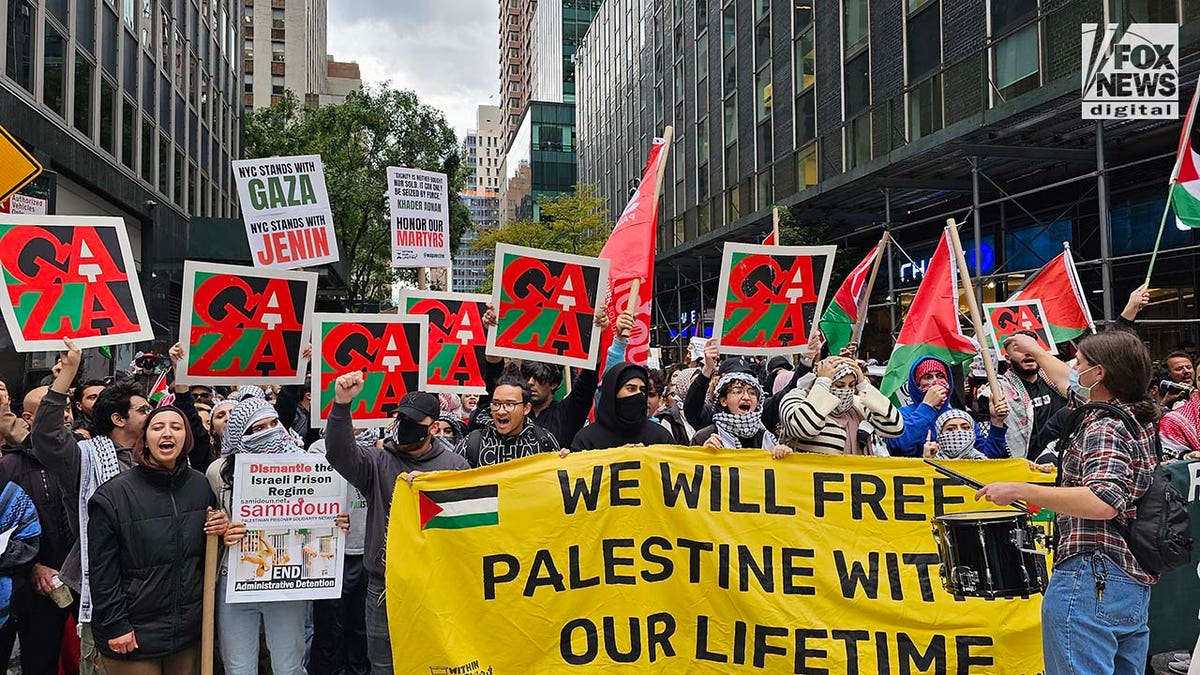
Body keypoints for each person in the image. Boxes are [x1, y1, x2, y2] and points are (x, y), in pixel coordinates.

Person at [977, 331, 1159, 675]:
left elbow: (1103, 499)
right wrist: (1034, 350)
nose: (1072, 368)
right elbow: (1069, 384)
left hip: (1090, 576)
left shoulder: (1103, 426)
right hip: (1129, 578)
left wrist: (1021, 489)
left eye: (1080, 363)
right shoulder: (1135, 414)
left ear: (1100, 373)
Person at [324, 371, 469, 674]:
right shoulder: (378, 462)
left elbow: (466, 528)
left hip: (435, 586)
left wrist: (434, 489)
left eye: (414, 422)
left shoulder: (454, 467)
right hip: (383, 586)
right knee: (383, 664)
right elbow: (339, 453)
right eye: (401, 419)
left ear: (434, 427)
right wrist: (341, 404)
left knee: (435, 662)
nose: (405, 428)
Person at [31, 338, 152, 674]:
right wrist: (66, 377)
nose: (152, 414)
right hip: (103, 590)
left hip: (152, 592)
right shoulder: (85, 460)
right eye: (143, 409)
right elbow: (46, 438)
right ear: (118, 418)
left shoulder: (159, 460)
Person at [87, 405, 227, 675]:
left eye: (176, 427)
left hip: (186, 632)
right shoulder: (114, 495)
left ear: (186, 437)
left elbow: (204, 554)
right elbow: (102, 571)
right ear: (145, 439)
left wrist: (220, 530)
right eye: (158, 427)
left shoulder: (200, 487)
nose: (167, 433)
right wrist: (117, 625)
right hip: (132, 635)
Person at [206, 397, 308, 675]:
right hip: (236, 578)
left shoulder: (307, 466)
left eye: (273, 423)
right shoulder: (218, 472)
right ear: (240, 434)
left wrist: (335, 522)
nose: (270, 432)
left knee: (289, 666)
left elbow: (320, 515)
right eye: (257, 428)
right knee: (238, 667)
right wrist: (223, 528)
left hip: (287, 579)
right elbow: (208, 522)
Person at [0, 386, 73, 675]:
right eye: (53, 409)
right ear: (29, 418)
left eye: (66, 409)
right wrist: (33, 566)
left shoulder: (77, 458)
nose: (64, 416)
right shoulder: (9, 466)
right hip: (20, 590)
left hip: (62, 588)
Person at [306, 428, 372, 675]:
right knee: (329, 631)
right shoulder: (320, 449)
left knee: (361, 630)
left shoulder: (382, 449)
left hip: (368, 552)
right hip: (331, 555)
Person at [885, 356, 1009, 457]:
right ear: (916, 384)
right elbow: (900, 447)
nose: (935, 381)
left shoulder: (959, 417)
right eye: (927, 377)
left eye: (940, 376)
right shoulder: (903, 414)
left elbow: (988, 457)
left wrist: (996, 423)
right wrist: (927, 407)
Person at [777, 357, 903, 455]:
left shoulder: (857, 405)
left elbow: (895, 427)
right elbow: (804, 427)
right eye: (839, 385)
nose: (846, 390)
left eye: (852, 385)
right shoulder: (797, 398)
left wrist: (863, 384)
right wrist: (823, 382)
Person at [975, 331, 1068, 459]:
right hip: (1021, 469)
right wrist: (997, 422)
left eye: (1031, 348)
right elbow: (986, 451)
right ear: (1007, 358)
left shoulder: (1059, 384)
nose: (1028, 353)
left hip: (1059, 462)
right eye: (1020, 349)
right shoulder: (993, 394)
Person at [457, 376, 560, 467]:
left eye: (510, 404)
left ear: (526, 408)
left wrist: (565, 459)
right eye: (496, 404)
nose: (501, 411)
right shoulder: (472, 444)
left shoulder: (543, 441)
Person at [572, 362, 674, 450]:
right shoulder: (586, 440)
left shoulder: (661, 437)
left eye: (642, 390)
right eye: (631, 389)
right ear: (613, 391)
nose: (638, 394)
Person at [691, 372, 784, 452]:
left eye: (752, 393)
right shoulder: (703, 437)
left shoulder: (766, 438)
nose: (746, 397)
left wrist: (784, 456)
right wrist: (703, 455)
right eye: (738, 392)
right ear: (723, 401)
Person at [922, 409, 1005, 460]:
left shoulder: (983, 462)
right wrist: (928, 461)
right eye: (950, 429)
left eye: (965, 428)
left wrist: (997, 421)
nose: (959, 432)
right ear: (940, 435)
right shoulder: (933, 461)